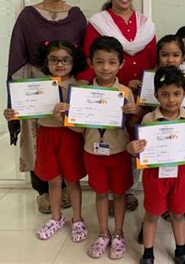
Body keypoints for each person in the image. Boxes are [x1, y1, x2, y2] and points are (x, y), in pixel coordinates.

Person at [7, 0, 87, 214]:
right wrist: (17, 95)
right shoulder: (28, 16)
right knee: (37, 138)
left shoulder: (76, 16)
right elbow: (18, 54)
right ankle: (43, 190)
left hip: (68, 83)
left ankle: (65, 186)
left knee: (67, 135)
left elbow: (83, 52)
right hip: (35, 83)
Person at [78, 0, 157, 212]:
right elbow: (89, 58)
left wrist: (147, 91)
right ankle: (108, 193)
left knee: (132, 141)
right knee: (110, 140)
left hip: (139, 96)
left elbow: (153, 59)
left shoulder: (145, 23)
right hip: (108, 95)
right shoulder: (98, 22)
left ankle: (127, 189)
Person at [60, 36, 142, 259]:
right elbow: (80, 130)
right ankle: (103, 233)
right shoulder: (82, 93)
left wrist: (134, 114)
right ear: (90, 63)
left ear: (121, 64)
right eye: (100, 62)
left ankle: (118, 234)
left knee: (119, 194)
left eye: (112, 62)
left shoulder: (125, 92)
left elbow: (130, 128)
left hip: (119, 152)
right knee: (100, 193)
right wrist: (65, 119)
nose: (106, 67)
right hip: (92, 152)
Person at [5, 41, 87, 241]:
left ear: (73, 61)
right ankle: (56, 217)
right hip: (46, 136)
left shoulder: (80, 86)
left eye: (65, 60)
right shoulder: (38, 86)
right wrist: (12, 113)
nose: (60, 64)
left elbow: (83, 121)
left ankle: (77, 219)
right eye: (54, 60)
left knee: (73, 181)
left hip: (70, 137)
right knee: (53, 179)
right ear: (46, 61)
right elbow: (23, 109)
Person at [127, 66, 185, 264]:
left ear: (184, 93)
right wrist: (132, 148)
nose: (171, 100)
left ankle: (181, 251)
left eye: (177, 94)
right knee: (152, 214)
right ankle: (148, 253)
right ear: (156, 95)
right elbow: (139, 151)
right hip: (155, 177)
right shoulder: (148, 120)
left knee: (178, 214)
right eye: (165, 94)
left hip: (182, 175)